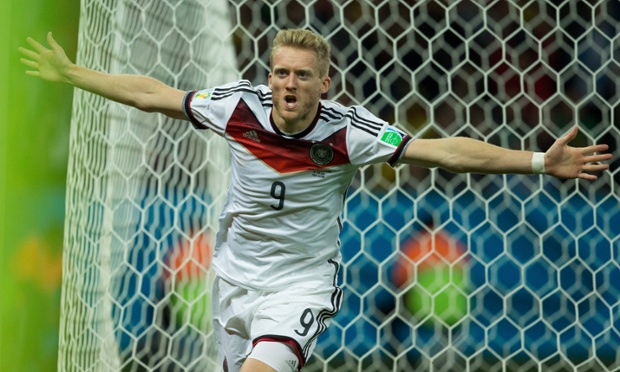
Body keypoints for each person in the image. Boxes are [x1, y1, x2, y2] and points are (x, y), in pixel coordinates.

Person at [19, 29, 612, 372]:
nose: (288, 85)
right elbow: (153, 95)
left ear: (324, 83)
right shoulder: (238, 108)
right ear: (269, 76)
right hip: (231, 278)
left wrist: (538, 161)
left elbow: (447, 152)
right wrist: (75, 75)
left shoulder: (348, 131)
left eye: (303, 76)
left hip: (300, 284)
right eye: (280, 73)